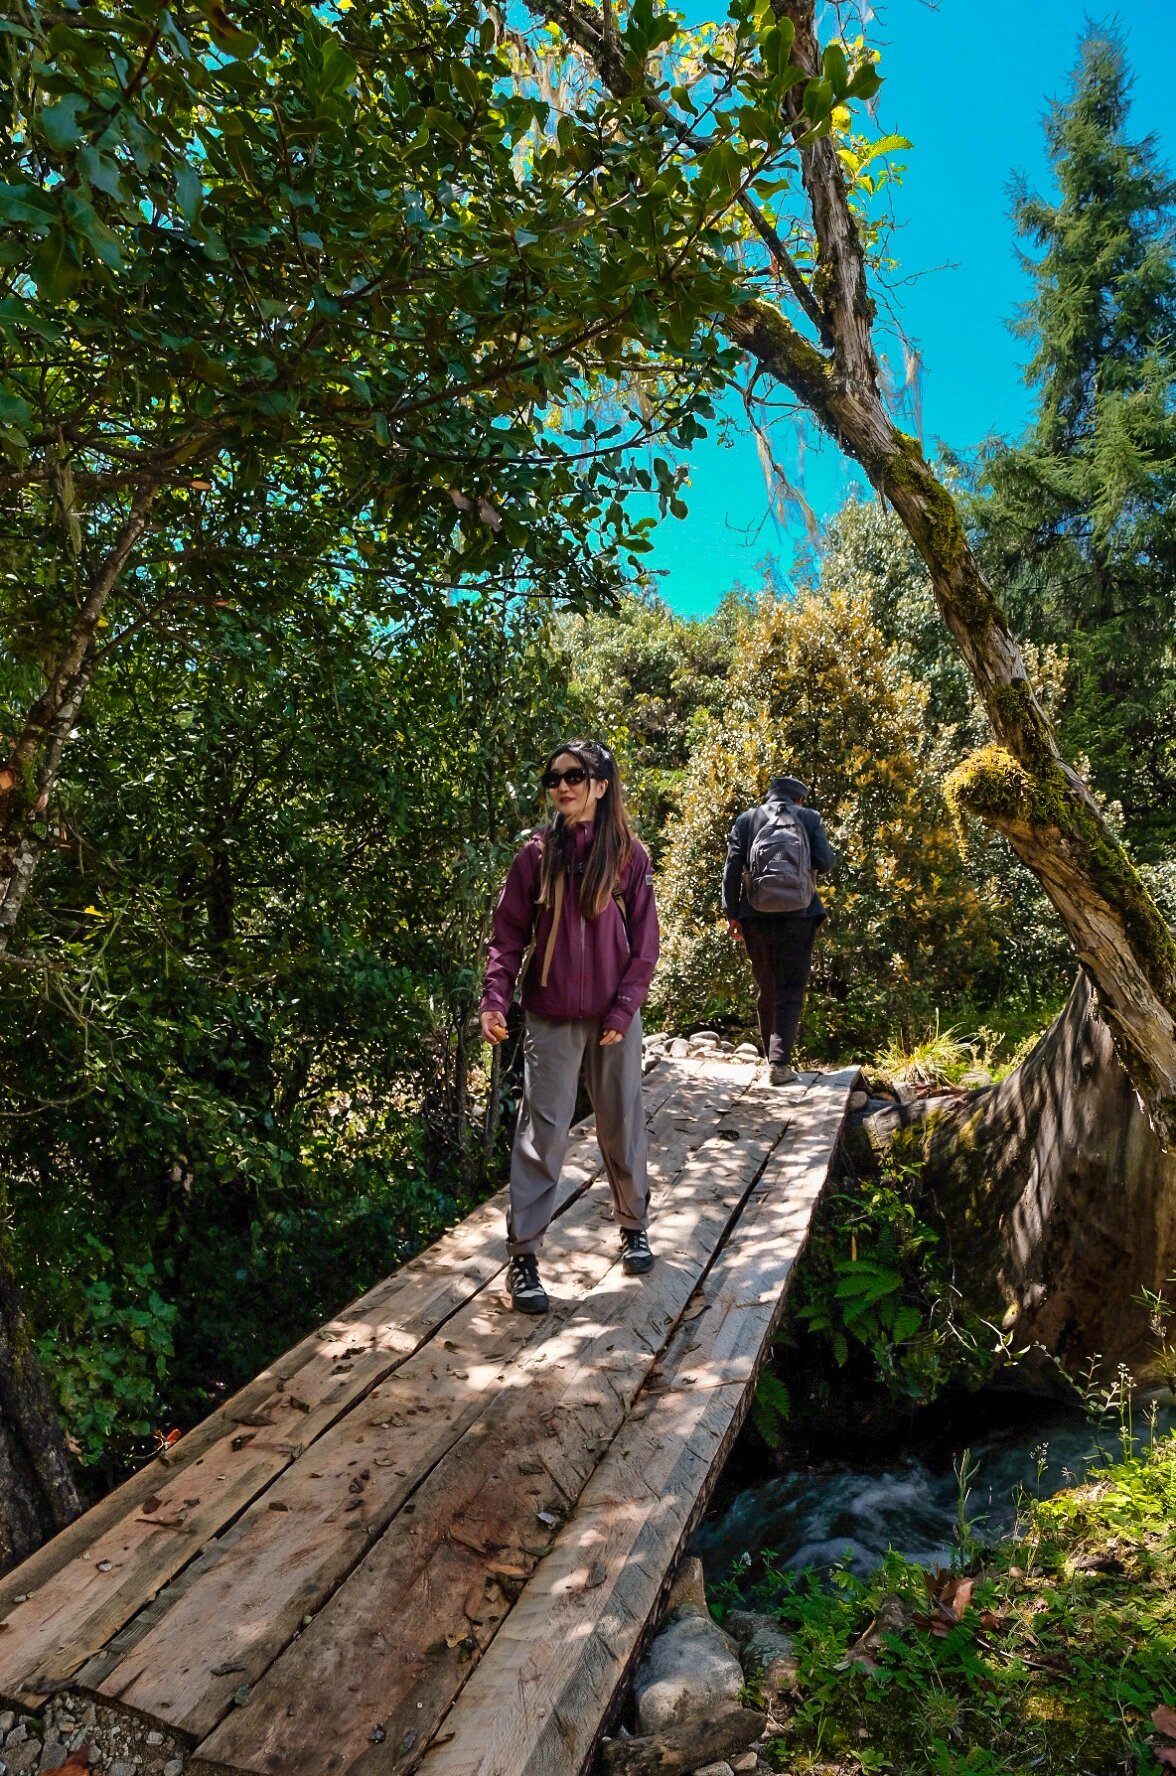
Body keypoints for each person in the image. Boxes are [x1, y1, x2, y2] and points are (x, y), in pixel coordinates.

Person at [480, 738, 660, 1315]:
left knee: (622, 1120)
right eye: (553, 777)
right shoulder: (534, 856)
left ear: (601, 786)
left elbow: (646, 946)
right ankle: (525, 1257)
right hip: (551, 1014)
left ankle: (634, 1227)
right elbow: (508, 935)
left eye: (575, 776)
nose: (561, 786)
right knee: (543, 1131)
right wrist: (494, 998)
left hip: (613, 1017)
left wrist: (624, 1008)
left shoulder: (629, 856)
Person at [722, 773, 834, 1086]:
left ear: (769, 796)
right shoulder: (808, 817)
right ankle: (780, 1063)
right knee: (790, 987)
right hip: (800, 913)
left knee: (766, 986)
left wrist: (733, 914)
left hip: (755, 915)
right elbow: (824, 862)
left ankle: (769, 1058)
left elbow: (731, 870)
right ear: (798, 799)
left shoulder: (747, 820)